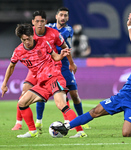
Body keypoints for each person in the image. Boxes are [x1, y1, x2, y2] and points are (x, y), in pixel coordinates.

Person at [11, 10, 87, 138]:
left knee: (65, 101)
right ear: (33, 23)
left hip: (54, 73)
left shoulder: (54, 34)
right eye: (37, 21)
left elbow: (59, 53)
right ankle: (30, 128)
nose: (39, 24)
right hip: (40, 75)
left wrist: (70, 62)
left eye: (42, 21)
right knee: (22, 101)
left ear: (45, 22)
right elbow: (12, 64)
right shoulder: (29, 37)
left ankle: (80, 131)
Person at [1, 23, 75, 138]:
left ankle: (80, 131)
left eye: (28, 38)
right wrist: (4, 84)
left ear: (32, 35)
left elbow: (55, 56)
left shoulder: (43, 43)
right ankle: (32, 131)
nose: (27, 42)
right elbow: (11, 67)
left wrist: (61, 55)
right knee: (22, 102)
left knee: (61, 104)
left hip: (53, 77)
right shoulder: (18, 51)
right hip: (41, 83)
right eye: (23, 40)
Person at [44, 7, 90, 130]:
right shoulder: (48, 26)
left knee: (74, 94)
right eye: (61, 15)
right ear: (56, 16)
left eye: (65, 15)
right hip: (50, 64)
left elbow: (57, 38)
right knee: (44, 94)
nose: (63, 17)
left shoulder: (68, 29)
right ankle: (38, 121)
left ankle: (82, 120)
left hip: (64, 63)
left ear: (68, 18)